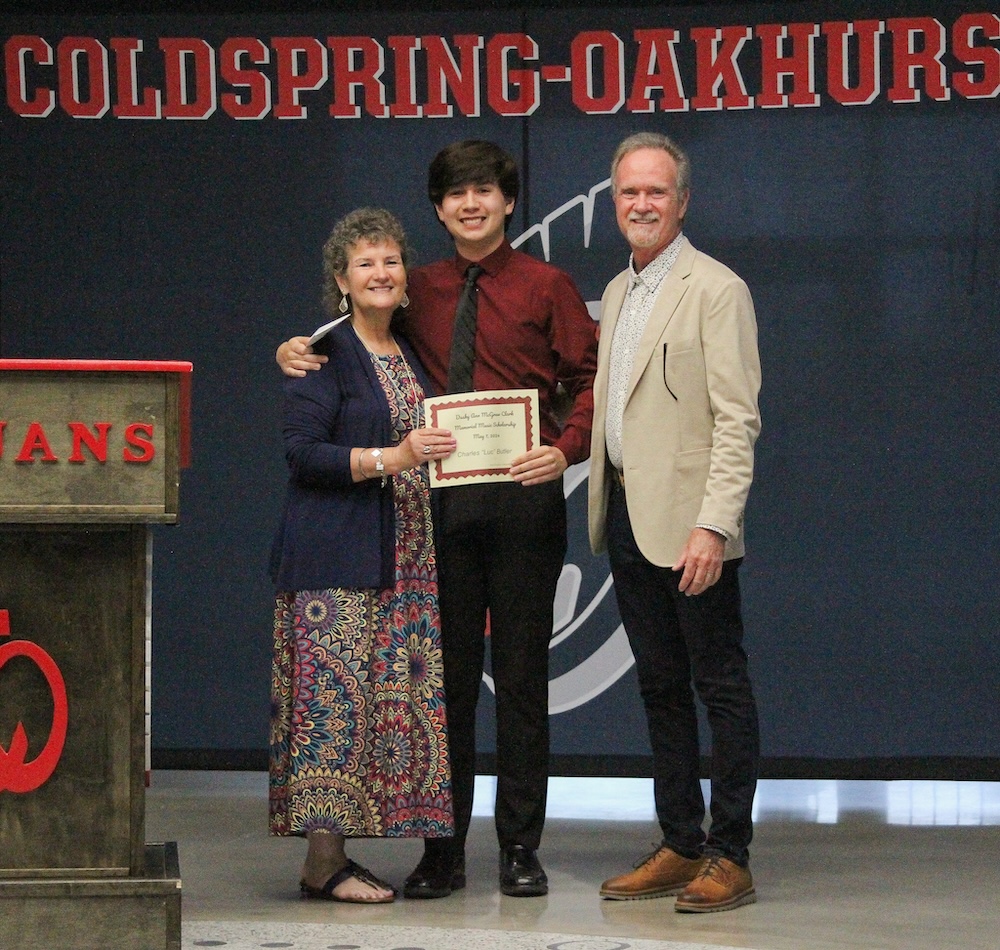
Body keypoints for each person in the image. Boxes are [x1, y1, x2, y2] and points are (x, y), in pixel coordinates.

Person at [278, 140, 598, 898]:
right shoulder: (415, 286)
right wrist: (293, 348)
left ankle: (520, 849)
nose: (471, 204)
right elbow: (344, 335)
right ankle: (442, 852)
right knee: (440, 689)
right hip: (436, 512)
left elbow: (586, 381)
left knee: (522, 683)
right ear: (438, 208)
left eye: (484, 191)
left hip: (523, 501)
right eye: (455, 195)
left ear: (509, 200)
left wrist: (566, 451)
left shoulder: (548, 285)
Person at [587, 132, 762, 913]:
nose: (642, 204)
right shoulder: (618, 291)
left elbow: (736, 421)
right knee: (660, 687)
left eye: (656, 191)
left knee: (719, 686)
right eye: (629, 192)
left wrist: (713, 528)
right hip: (625, 512)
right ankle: (679, 840)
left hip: (692, 529)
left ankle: (730, 854)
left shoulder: (717, 289)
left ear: (682, 202)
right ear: (613, 202)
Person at [269, 208, 457, 904]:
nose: (381, 273)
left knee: (375, 713)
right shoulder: (323, 350)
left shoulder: (407, 348)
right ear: (341, 281)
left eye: (390, 261)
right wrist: (395, 456)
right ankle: (322, 863)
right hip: (334, 558)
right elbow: (302, 453)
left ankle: (338, 856)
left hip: (404, 558)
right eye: (365, 263)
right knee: (333, 710)